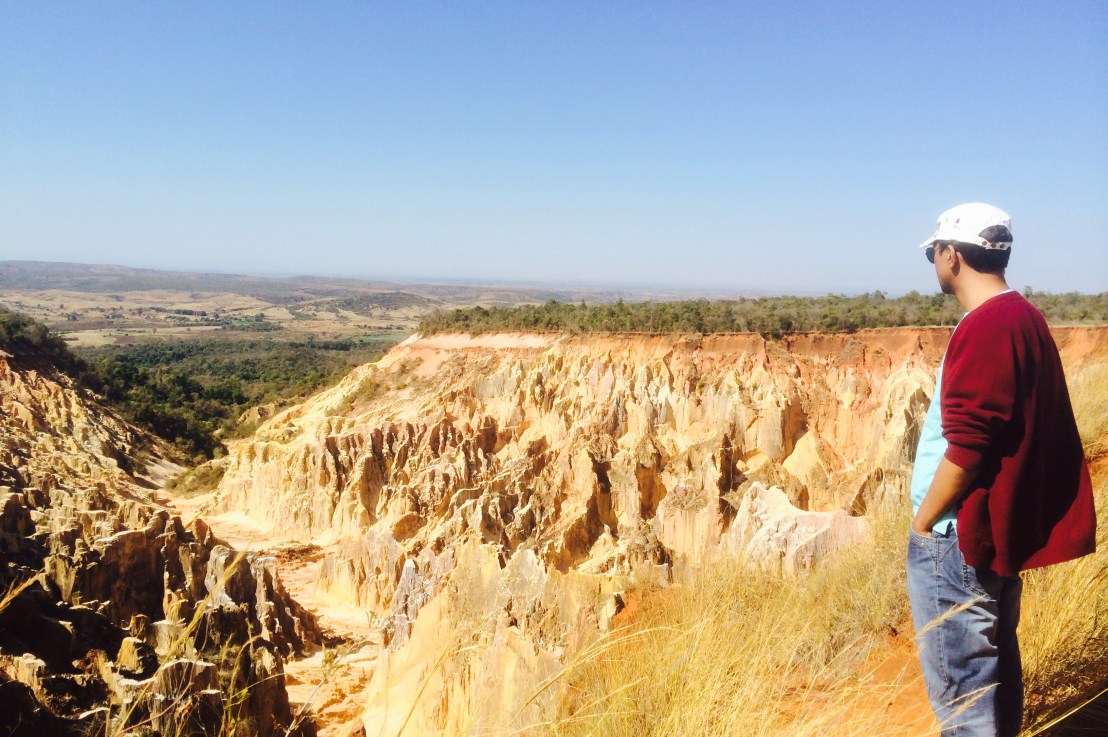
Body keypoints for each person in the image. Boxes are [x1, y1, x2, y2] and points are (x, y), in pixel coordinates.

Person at [906, 202, 1097, 737]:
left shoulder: (986, 326)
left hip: (957, 535)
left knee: (963, 697)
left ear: (952, 255)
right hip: (989, 531)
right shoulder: (1023, 316)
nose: (933, 262)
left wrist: (924, 522)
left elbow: (970, 445)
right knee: (996, 678)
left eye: (933, 252)